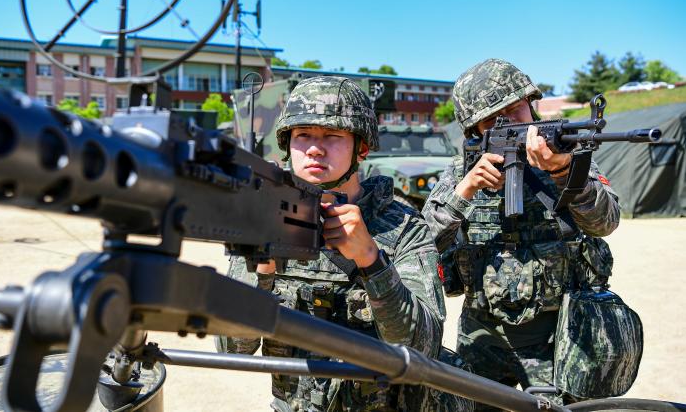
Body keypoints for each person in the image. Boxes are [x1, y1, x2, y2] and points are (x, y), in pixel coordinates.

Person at [218, 76, 466, 411]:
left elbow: (423, 349)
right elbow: (234, 347)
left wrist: (371, 260)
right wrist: (261, 270)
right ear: (287, 144)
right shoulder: (262, 222)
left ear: (361, 148)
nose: (315, 148)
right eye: (303, 135)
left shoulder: (404, 228)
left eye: (332, 136)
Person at [422, 59, 621, 408]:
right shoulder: (461, 171)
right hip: (481, 332)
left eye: (516, 110)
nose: (512, 123)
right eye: (494, 120)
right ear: (474, 131)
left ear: (532, 104)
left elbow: (605, 222)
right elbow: (421, 243)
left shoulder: (567, 153)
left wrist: (563, 172)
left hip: (559, 333)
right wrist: (464, 191)